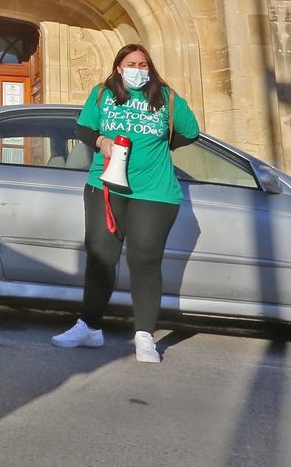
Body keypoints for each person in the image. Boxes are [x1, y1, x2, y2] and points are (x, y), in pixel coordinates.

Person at [51, 43, 199, 363]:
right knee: (101, 258)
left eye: (143, 64)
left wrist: (161, 146)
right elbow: (84, 127)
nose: (137, 69)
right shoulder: (103, 93)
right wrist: (101, 140)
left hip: (154, 192)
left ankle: (144, 335)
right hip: (104, 186)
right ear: (119, 67)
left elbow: (190, 132)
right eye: (131, 63)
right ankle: (89, 327)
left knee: (144, 260)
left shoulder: (166, 97)